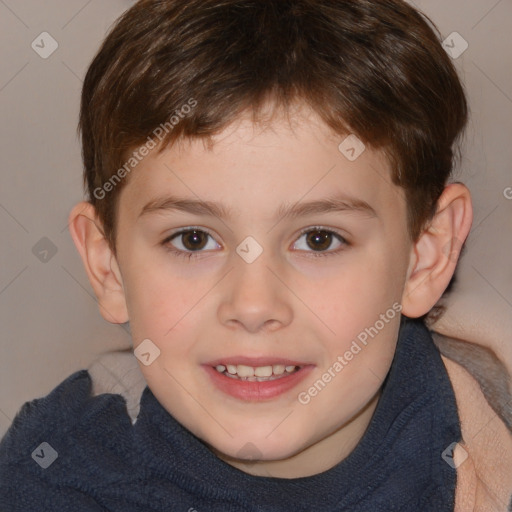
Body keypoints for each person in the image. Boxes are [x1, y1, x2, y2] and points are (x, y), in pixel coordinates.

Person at [1, 1, 511, 510]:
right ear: (108, 266)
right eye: (193, 240)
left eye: (318, 239)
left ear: (425, 256)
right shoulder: (51, 481)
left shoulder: (492, 436)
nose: (252, 305)